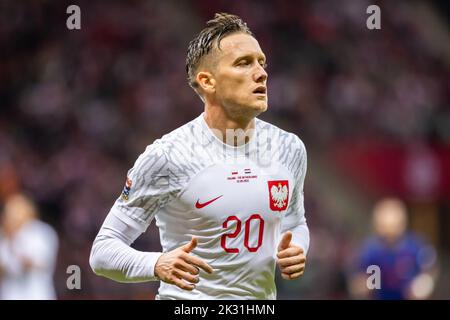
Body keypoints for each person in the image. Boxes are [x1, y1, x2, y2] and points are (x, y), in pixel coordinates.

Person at [89, 13, 309, 299]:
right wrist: (155, 263)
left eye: (261, 62)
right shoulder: (169, 156)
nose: (261, 73)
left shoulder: (289, 148)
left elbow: (294, 223)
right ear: (207, 81)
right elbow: (103, 250)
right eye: (244, 63)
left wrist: (297, 249)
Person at [349, 197, 437, 300]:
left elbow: (430, 272)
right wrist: (362, 285)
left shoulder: (416, 246)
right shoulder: (370, 250)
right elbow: (359, 279)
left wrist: (423, 285)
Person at [0, 193, 59, 300]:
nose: (10, 215)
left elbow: (33, 264)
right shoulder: (3, 235)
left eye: (15, 210)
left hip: (36, 295)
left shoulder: (41, 232)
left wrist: (12, 240)